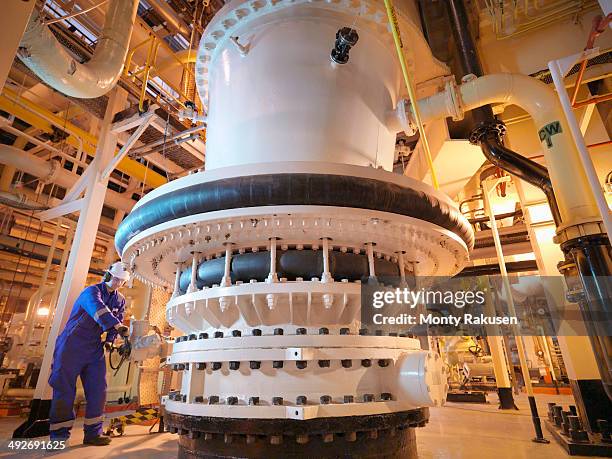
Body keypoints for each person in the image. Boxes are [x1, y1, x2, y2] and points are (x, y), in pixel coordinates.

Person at [48, 261, 131, 446]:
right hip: (71, 345)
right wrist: (117, 326)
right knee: (64, 389)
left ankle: (93, 433)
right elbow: (99, 310)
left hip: (94, 347)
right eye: (116, 279)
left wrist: (110, 341)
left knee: (98, 389)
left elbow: (119, 317)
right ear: (108, 275)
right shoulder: (91, 292)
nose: (118, 284)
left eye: (121, 281)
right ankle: (59, 437)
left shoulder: (120, 300)